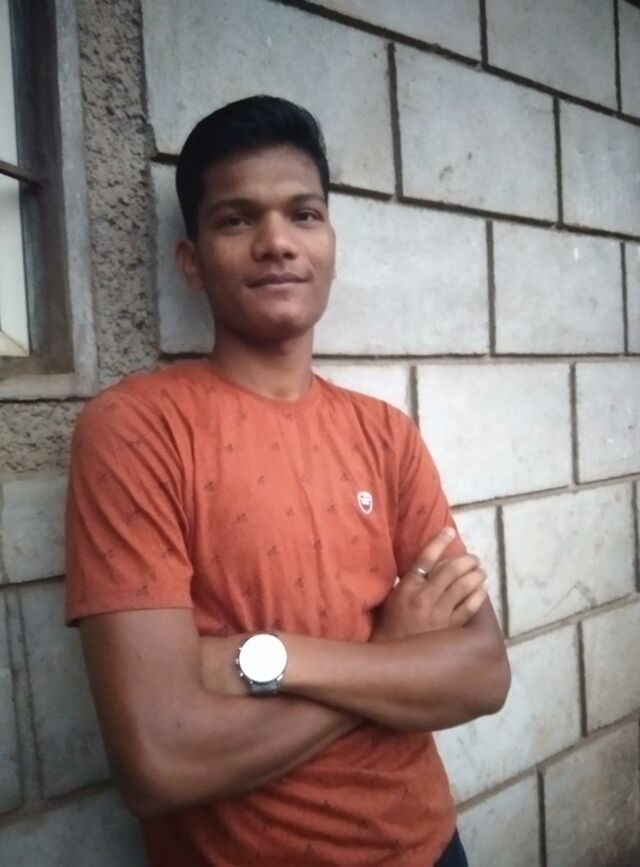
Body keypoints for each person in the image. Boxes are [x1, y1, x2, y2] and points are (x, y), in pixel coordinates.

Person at [65, 95, 510, 867]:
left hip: (431, 845)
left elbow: (482, 672)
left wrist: (265, 659)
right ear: (191, 261)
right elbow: (161, 760)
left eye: (304, 214)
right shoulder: (137, 430)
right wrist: (389, 651)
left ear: (330, 242)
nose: (276, 241)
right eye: (237, 219)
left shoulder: (385, 434)